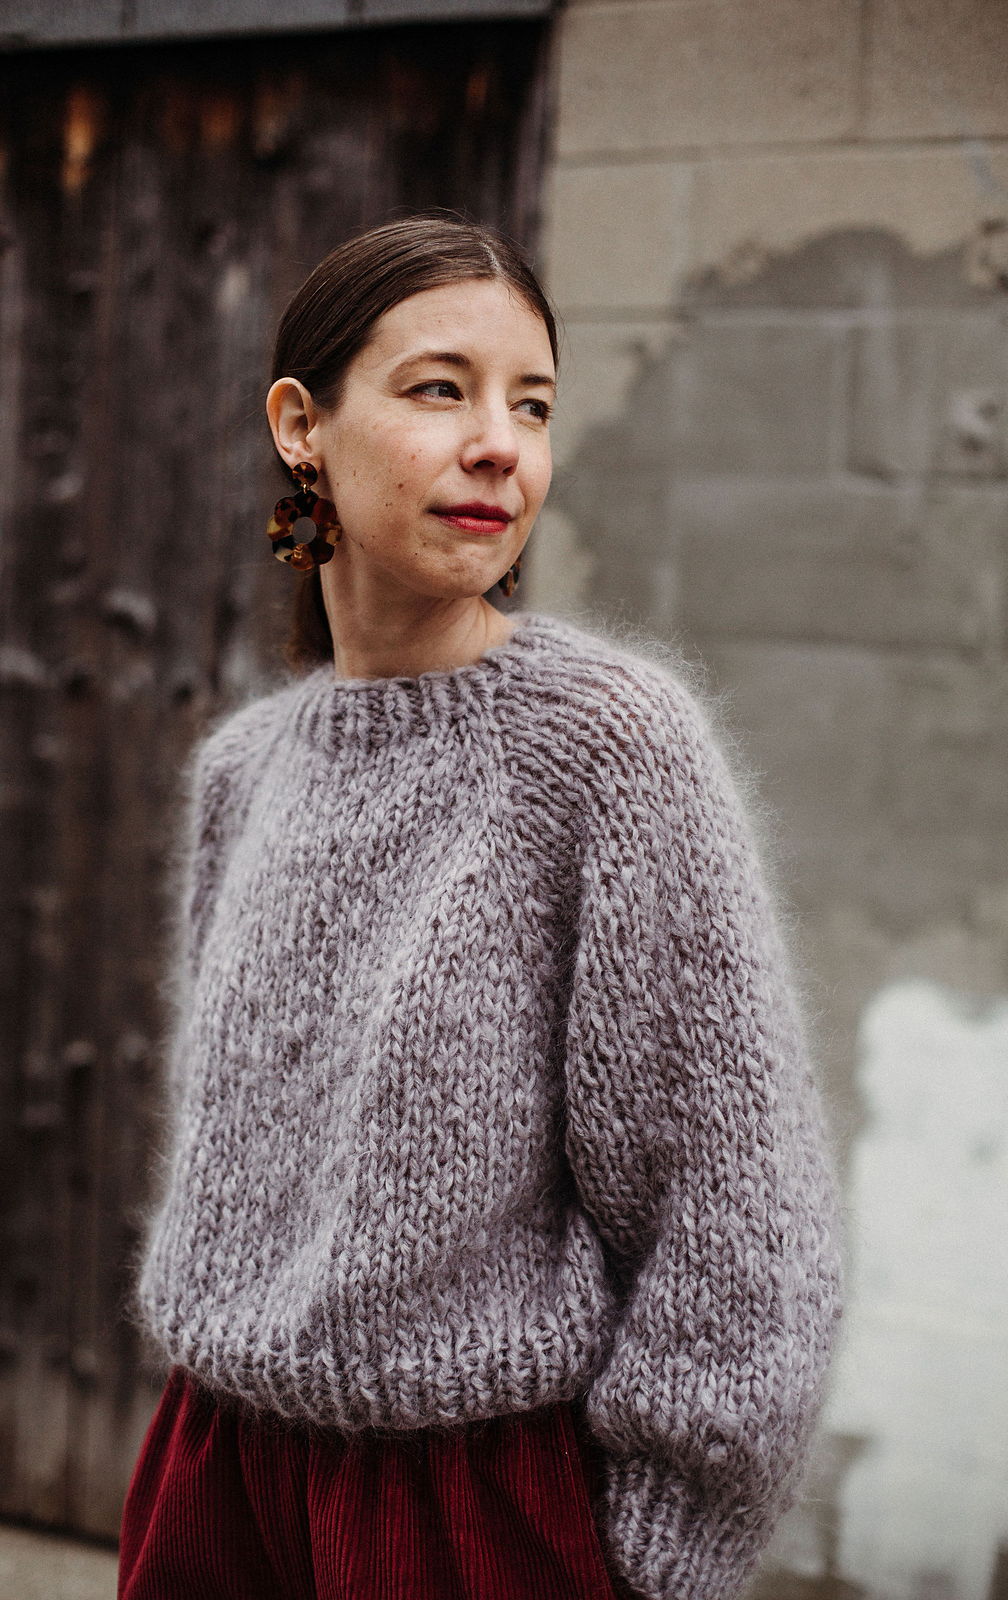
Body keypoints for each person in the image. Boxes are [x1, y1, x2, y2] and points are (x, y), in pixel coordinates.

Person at [120, 216, 843, 1600]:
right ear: (301, 428)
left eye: (535, 405)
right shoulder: (244, 776)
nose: (500, 444)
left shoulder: (611, 745)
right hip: (217, 1482)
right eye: (439, 389)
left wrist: (655, 1548)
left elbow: (734, 1201)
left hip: (470, 1512)